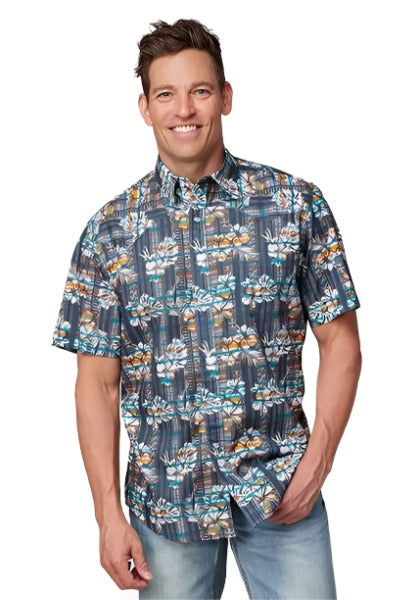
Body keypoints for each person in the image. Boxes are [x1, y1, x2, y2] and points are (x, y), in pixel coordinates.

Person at [52, 17, 362, 599]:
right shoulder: (109, 234)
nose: (184, 109)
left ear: (225, 97)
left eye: (199, 90)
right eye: (165, 94)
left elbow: (341, 340)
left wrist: (318, 463)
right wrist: (107, 516)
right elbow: (96, 384)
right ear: (145, 108)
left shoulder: (296, 205)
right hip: (166, 505)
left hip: (280, 488)